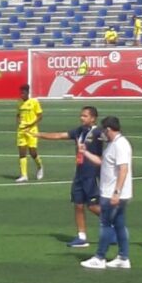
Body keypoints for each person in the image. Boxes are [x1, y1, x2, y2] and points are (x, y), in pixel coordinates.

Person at [36, 106, 103, 248]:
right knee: (78, 205)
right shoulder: (79, 131)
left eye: (85, 116)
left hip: (91, 174)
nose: (81, 118)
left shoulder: (98, 133)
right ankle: (81, 237)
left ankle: (114, 226)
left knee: (92, 206)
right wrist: (39, 135)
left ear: (93, 118)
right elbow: (59, 135)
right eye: (81, 115)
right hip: (79, 173)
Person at [79, 116, 133, 270]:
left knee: (105, 224)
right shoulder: (113, 144)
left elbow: (123, 169)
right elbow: (103, 162)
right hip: (114, 193)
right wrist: (85, 153)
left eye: (103, 130)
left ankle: (100, 257)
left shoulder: (120, 145)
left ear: (108, 129)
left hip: (112, 194)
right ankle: (123, 257)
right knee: (119, 225)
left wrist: (116, 192)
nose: (102, 133)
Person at [15, 84, 43, 182]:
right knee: (22, 153)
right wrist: (19, 121)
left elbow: (40, 116)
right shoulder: (19, 102)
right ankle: (24, 175)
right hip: (22, 130)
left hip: (32, 131)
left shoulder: (34, 102)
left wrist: (31, 124)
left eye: (23, 93)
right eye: (21, 93)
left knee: (32, 152)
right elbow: (18, 114)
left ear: (27, 92)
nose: (21, 94)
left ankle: (40, 167)